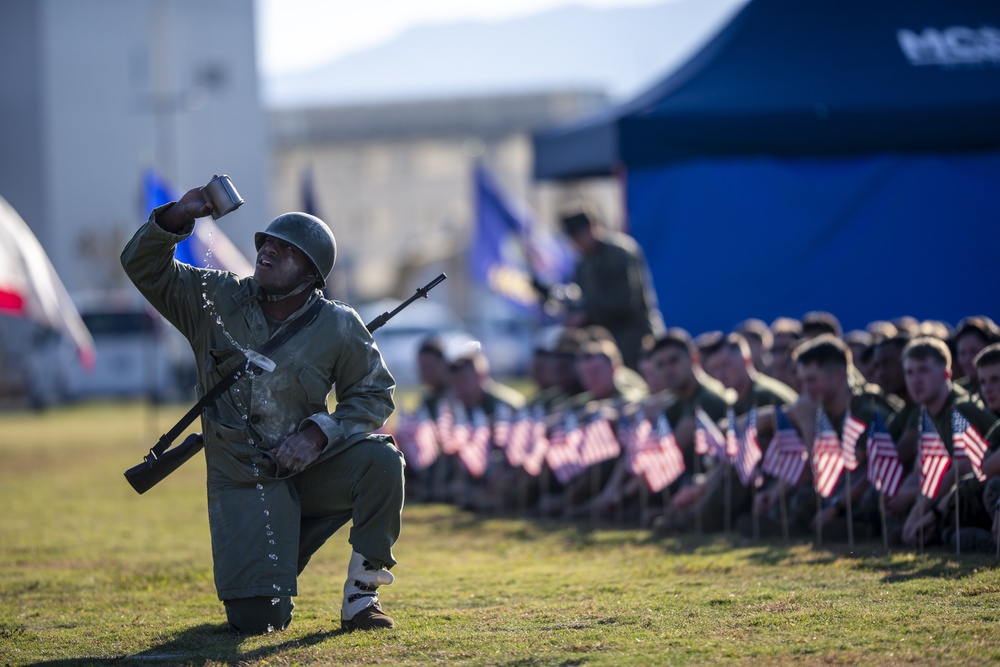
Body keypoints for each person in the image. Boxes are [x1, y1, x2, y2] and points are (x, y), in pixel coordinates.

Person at [121, 184, 402, 634]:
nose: (268, 250)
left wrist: (317, 434)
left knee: (382, 461)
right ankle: (270, 559)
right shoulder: (212, 298)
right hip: (242, 482)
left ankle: (362, 595)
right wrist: (176, 217)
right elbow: (142, 266)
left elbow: (373, 395)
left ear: (311, 273)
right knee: (258, 622)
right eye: (266, 243)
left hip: (308, 471)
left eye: (285, 249)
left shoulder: (339, 324)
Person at [558, 202, 664, 370]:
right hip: (606, 343)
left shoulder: (618, 253)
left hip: (636, 340)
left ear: (592, 227)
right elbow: (580, 297)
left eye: (578, 236)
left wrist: (586, 313)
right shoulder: (584, 262)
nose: (576, 243)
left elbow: (626, 299)